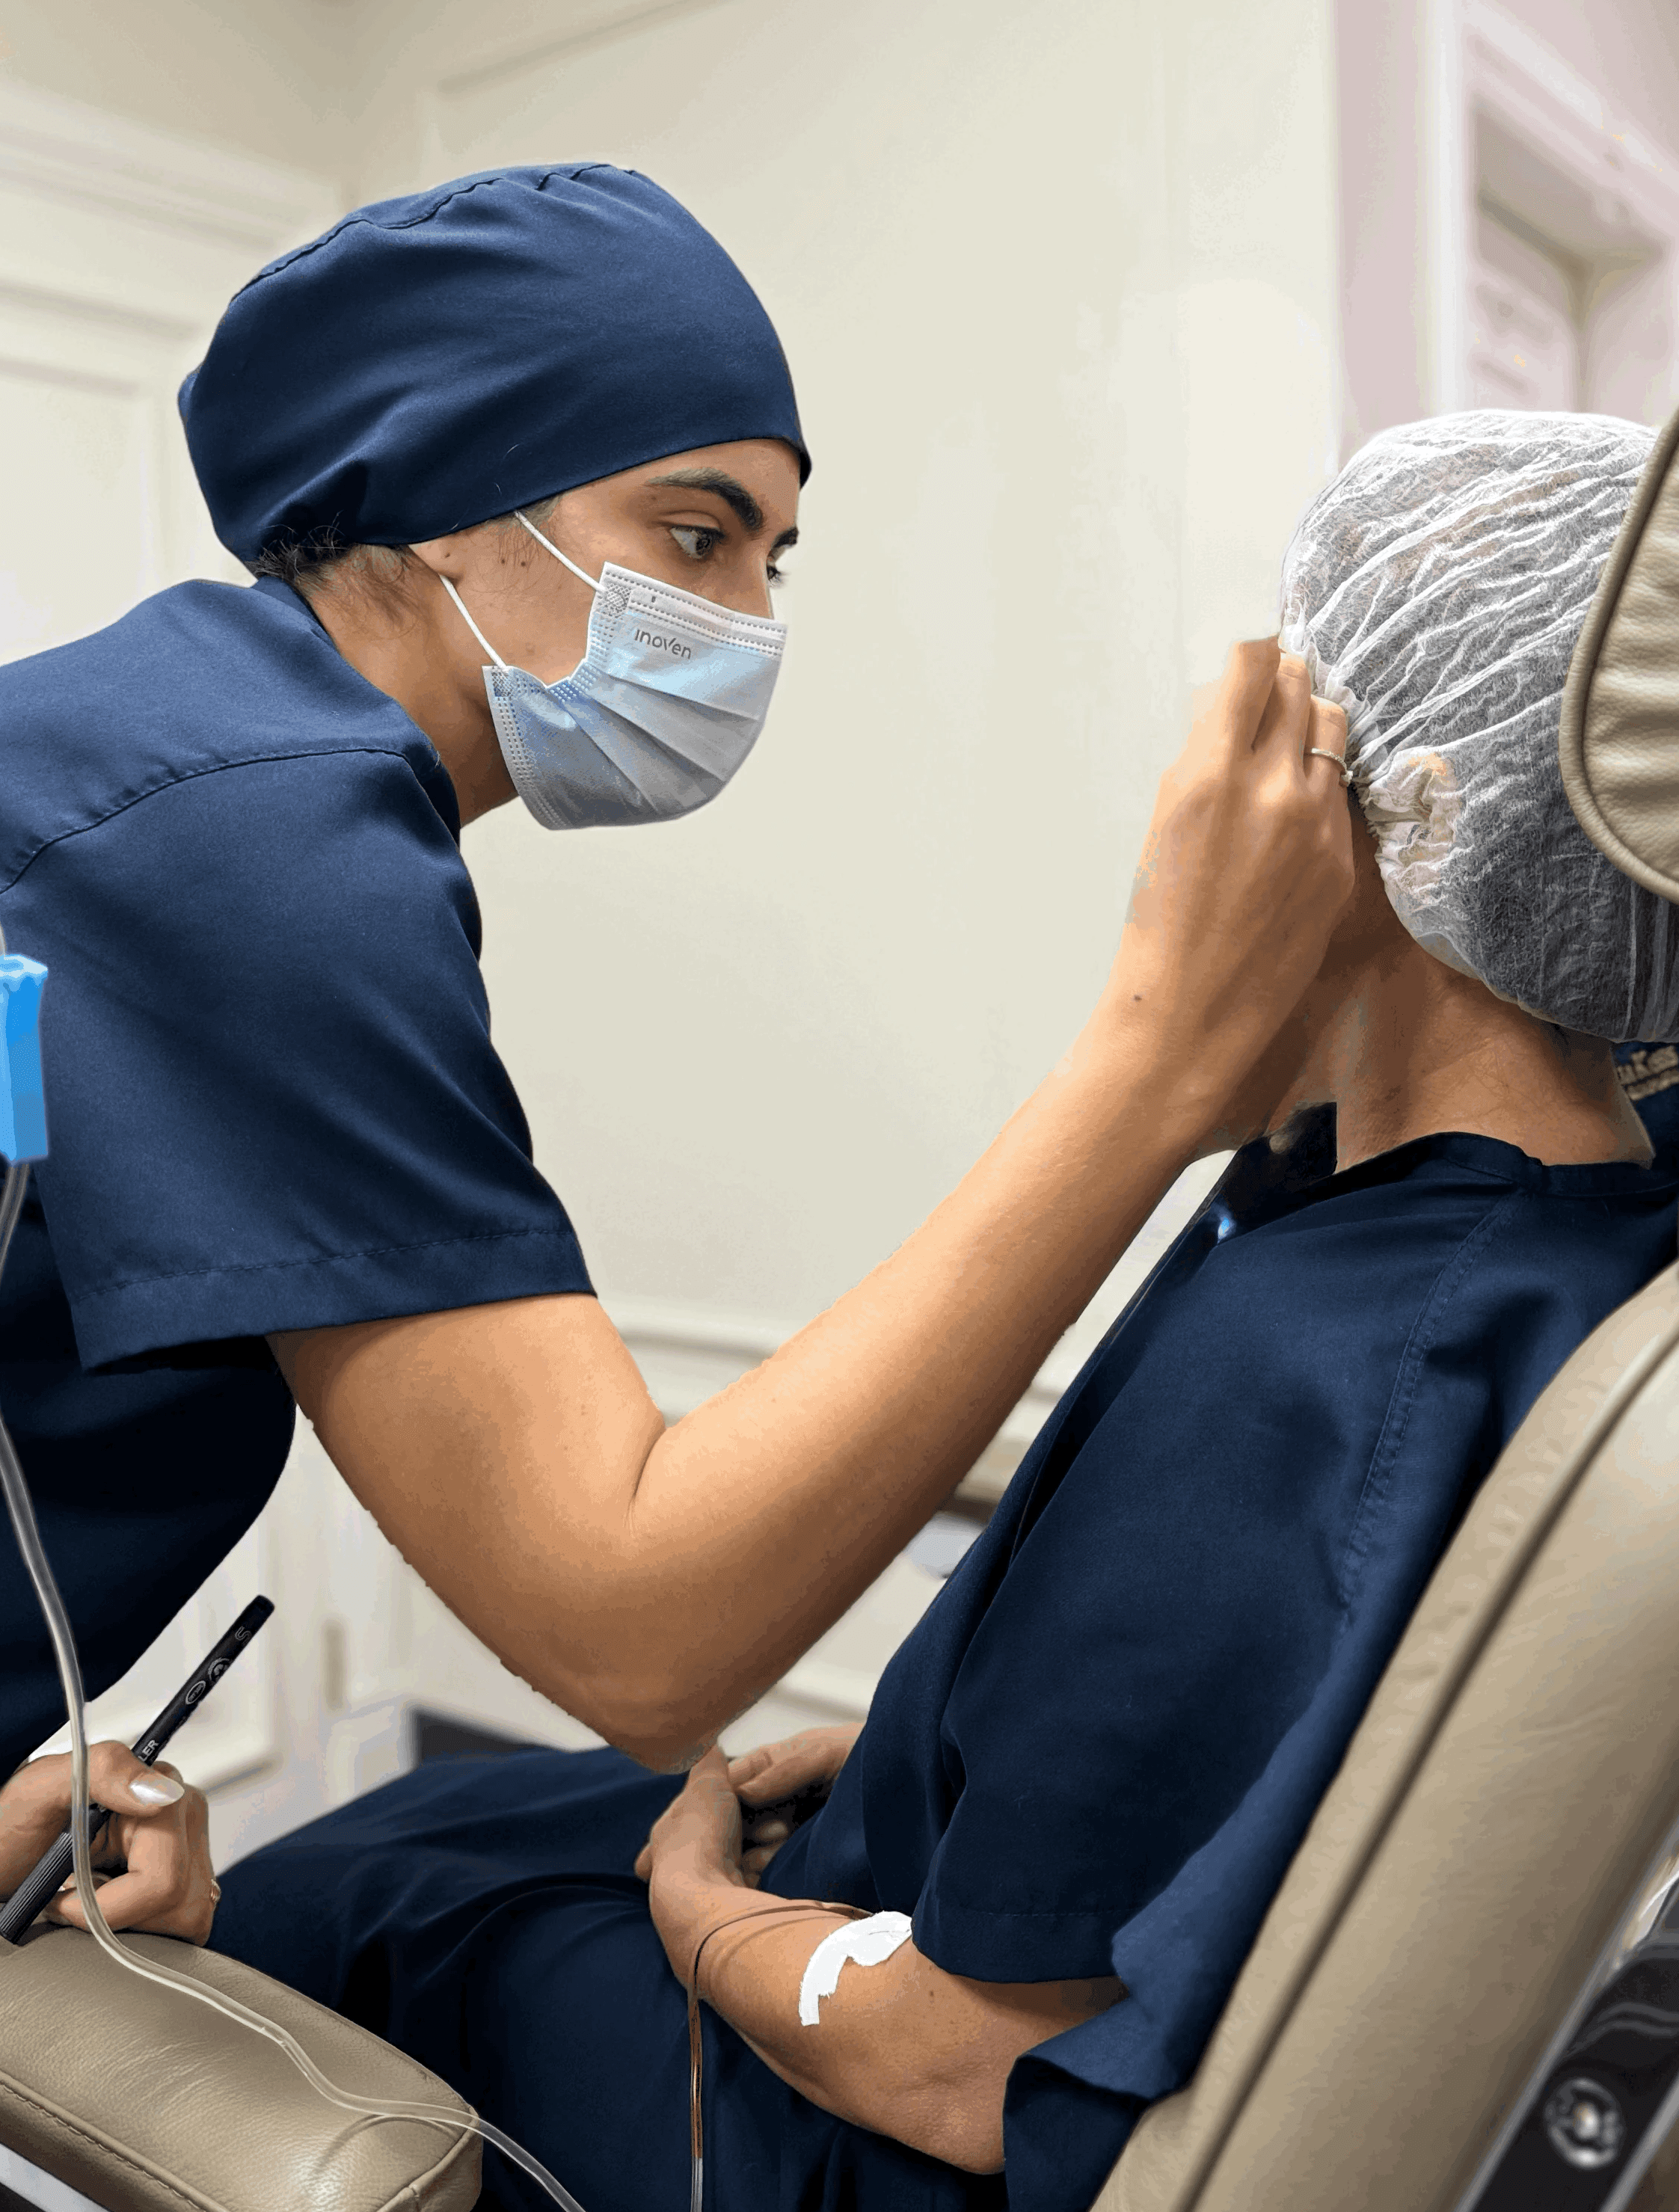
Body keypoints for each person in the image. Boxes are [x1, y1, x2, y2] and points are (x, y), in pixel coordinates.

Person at [187, 412, 1679, 2212]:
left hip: (868, 2170)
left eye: (1256, 752)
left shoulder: (1335, 1356)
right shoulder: (1558, 1229)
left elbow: (961, 2064)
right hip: (950, 1917)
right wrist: (921, 1744)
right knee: (456, 1814)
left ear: (1395, 812)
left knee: (374, 1893)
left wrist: (703, 1906)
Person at [0, 161, 1349, 1800]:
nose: (747, 623)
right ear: (439, 504)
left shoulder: (179, 745)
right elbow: (634, 1629)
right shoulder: (252, 841)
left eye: (774, 558)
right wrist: (1161, 1063)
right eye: (694, 535)